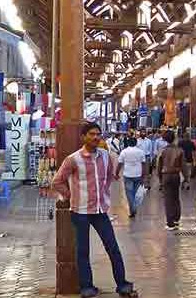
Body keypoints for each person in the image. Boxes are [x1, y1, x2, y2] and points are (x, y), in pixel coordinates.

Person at [51, 122, 136, 298]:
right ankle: (87, 288)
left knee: (113, 247)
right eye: (91, 134)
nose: (96, 137)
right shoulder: (73, 159)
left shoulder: (105, 156)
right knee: (82, 251)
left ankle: (123, 285)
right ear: (83, 137)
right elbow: (57, 181)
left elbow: (110, 177)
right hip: (80, 211)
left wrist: (103, 195)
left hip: (100, 212)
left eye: (98, 134)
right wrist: (70, 196)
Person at [157, 130, 185, 230]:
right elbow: (184, 166)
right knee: (176, 197)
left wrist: (160, 179)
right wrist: (186, 179)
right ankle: (176, 218)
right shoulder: (180, 150)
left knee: (168, 199)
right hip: (176, 175)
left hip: (166, 175)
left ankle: (170, 222)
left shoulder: (163, 151)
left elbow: (159, 166)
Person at [116, 137, 146, 218]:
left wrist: (116, 173)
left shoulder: (124, 152)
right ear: (136, 143)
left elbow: (119, 163)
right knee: (135, 193)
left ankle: (132, 209)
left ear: (128, 143)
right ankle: (133, 208)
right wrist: (144, 175)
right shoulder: (141, 152)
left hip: (128, 175)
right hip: (138, 175)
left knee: (129, 194)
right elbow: (143, 164)